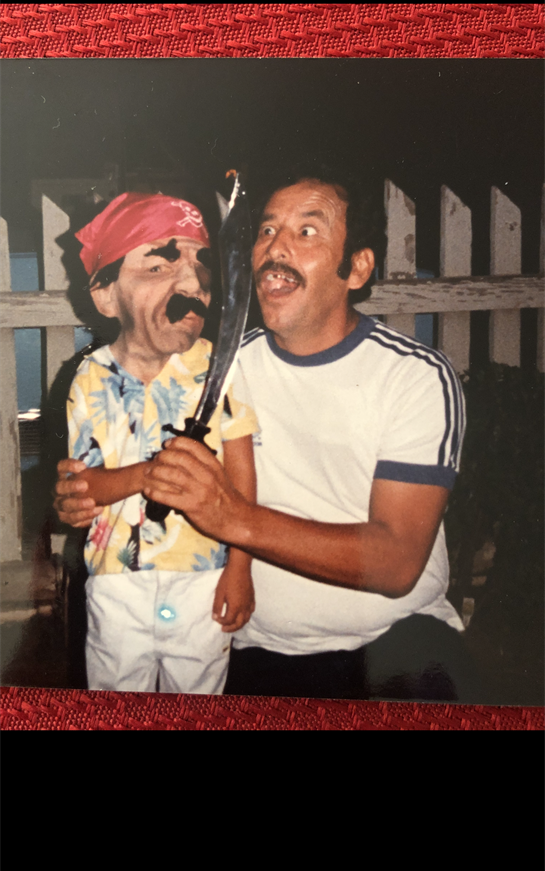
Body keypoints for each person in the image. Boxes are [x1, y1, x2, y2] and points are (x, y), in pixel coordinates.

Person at [140, 169, 479, 702]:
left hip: (396, 646)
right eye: (267, 230)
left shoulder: (413, 377)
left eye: (307, 231)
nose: (275, 248)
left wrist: (235, 517)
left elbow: (395, 562)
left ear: (357, 268)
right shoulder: (219, 369)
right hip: (250, 645)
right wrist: (95, 487)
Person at [54, 191, 258, 694]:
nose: (192, 284)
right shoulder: (89, 378)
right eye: (158, 267)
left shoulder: (220, 369)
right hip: (116, 583)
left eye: (201, 265)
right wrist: (150, 474)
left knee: (198, 707)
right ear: (106, 295)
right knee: (118, 708)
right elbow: (85, 489)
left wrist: (240, 568)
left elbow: (242, 476)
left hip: (202, 579)